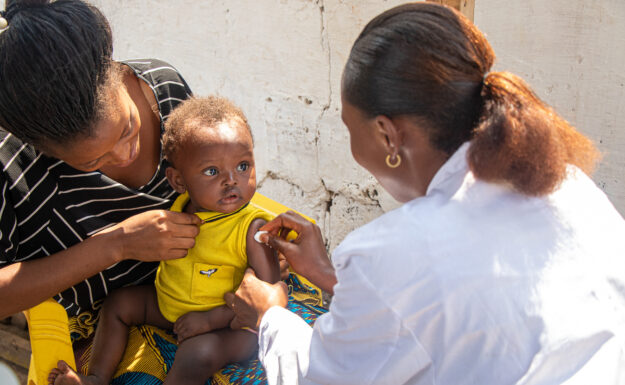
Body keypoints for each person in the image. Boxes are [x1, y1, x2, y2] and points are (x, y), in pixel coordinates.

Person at [224, 3, 625, 384]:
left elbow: (323, 375)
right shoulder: (570, 186)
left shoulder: (391, 250)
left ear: (386, 133)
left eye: (350, 128)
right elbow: (448, 308)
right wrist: (331, 277)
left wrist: (269, 316)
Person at [0, 1, 325, 383]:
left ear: (118, 76)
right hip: (115, 319)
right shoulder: (11, 169)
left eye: (128, 129)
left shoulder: (162, 88)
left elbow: (216, 173)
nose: (125, 156)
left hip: (215, 301)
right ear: (43, 150)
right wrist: (116, 245)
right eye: (93, 162)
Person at [48, 96, 280, 385]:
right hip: (172, 308)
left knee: (198, 352)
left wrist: (210, 321)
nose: (231, 180)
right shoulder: (180, 205)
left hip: (233, 329)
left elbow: (267, 301)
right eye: (212, 171)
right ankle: (95, 377)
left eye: (243, 166)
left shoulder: (252, 228)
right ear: (179, 182)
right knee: (119, 304)